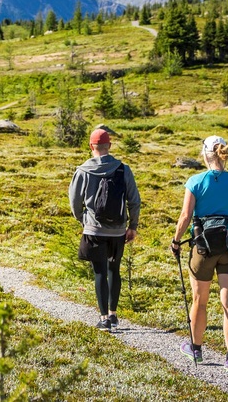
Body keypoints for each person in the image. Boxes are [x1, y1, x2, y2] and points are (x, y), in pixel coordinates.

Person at [170, 136, 228, 372]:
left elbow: (185, 217)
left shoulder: (195, 181)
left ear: (205, 154)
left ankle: (196, 349)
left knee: (199, 300)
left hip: (203, 248)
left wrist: (176, 241)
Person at [69, 128, 140, 332]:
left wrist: (83, 220)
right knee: (114, 270)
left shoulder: (82, 171)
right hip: (118, 231)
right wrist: (132, 226)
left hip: (94, 230)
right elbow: (134, 201)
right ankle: (114, 315)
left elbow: (74, 202)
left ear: (91, 146)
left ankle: (103, 319)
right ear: (109, 145)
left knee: (99, 272)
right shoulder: (123, 169)